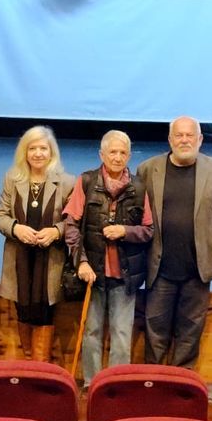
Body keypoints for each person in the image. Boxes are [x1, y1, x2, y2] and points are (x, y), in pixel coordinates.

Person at [137, 116, 212, 369]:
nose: (184, 140)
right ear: (170, 140)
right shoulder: (148, 169)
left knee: (190, 333)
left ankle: (182, 383)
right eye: (179, 135)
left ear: (200, 139)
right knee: (155, 331)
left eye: (189, 135)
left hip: (198, 272)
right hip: (159, 270)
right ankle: (152, 381)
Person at [63, 130, 153, 385]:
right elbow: (71, 225)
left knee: (122, 333)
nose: (117, 157)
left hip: (125, 275)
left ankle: (116, 385)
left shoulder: (139, 187)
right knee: (91, 331)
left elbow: (149, 230)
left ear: (129, 156)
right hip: (93, 274)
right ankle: (91, 384)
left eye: (123, 152)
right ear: (101, 154)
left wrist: (125, 231)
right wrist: (81, 262)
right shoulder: (86, 182)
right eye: (112, 152)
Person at [0, 126, 75, 361]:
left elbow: (74, 221)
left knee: (45, 313)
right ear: (25, 152)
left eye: (43, 148)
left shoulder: (67, 182)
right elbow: (0, 216)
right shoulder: (13, 179)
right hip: (19, 262)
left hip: (50, 263)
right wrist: (16, 228)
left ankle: (41, 368)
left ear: (51, 152)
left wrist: (56, 231)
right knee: (23, 312)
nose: (38, 153)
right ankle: (29, 363)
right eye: (32, 148)